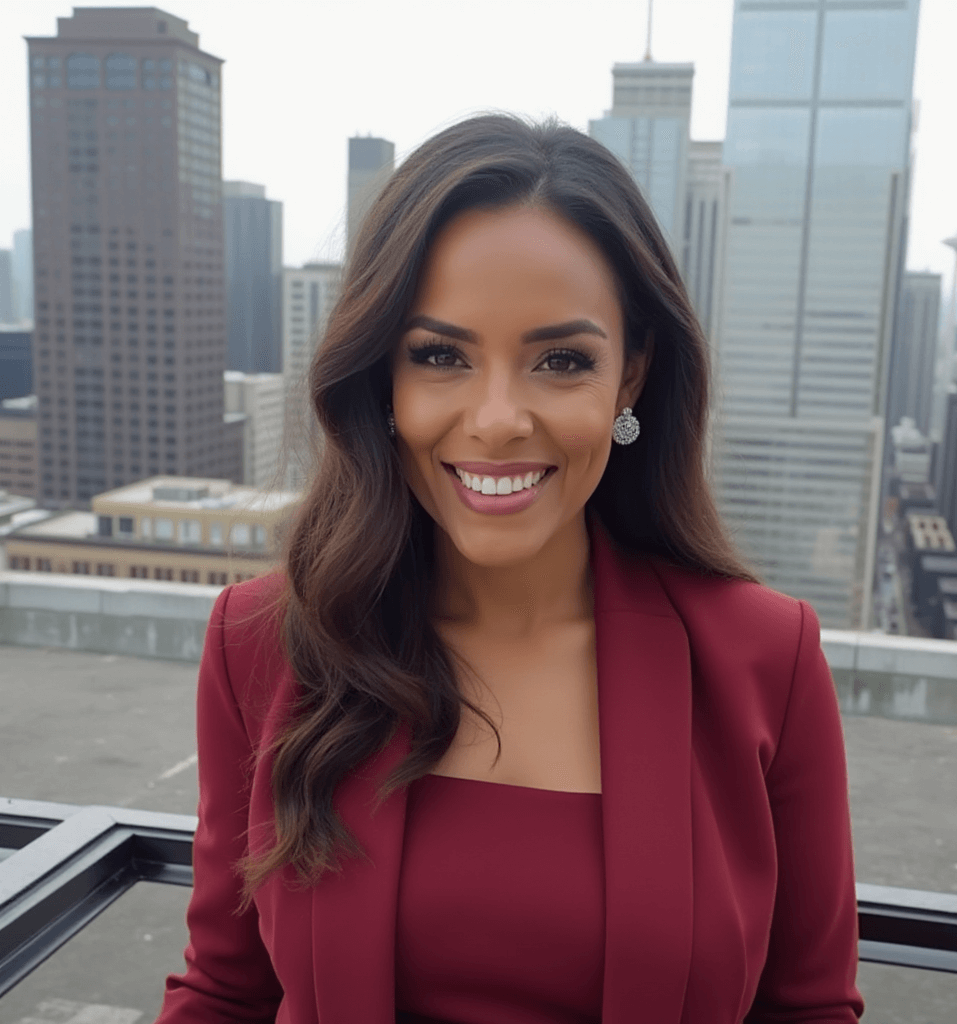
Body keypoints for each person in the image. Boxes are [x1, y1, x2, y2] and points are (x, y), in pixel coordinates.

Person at [155, 112, 864, 1024]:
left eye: (561, 361)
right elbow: (225, 991)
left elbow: (808, 1010)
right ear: (385, 377)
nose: (496, 420)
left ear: (632, 378)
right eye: (440, 356)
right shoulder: (265, 644)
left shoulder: (768, 661)